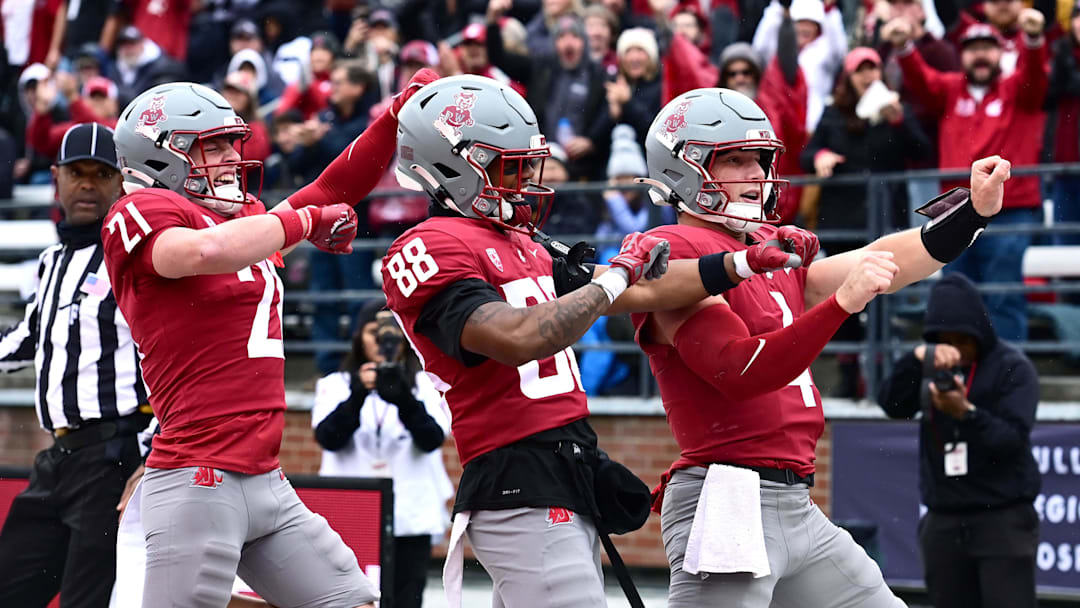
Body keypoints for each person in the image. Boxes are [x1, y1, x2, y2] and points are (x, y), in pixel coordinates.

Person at [383, 74, 818, 608]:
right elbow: (516, 337)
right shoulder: (428, 244)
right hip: (515, 472)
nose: (520, 182)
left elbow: (638, 291)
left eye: (524, 164)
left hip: (567, 464)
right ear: (444, 165)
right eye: (503, 166)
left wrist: (741, 263)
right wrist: (616, 275)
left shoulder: (524, 242)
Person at [631, 87, 1013, 608]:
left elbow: (880, 260)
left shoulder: (760, 251)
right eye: (734, 161)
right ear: (684, 169)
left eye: (757, 160)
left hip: (793, 500)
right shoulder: (680, 252)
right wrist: (840, 307)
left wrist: (971, 213)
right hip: (728, 497)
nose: (754, 175)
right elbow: (737, 370)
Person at [99, 69, 440, 607]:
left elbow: (331, 188)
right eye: (211, 148)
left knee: (350, 600)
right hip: (196, 475)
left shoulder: (244, 221)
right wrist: (305, 222)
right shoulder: (140, 209)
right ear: (159, 156)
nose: (231, 159)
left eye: (230, 144)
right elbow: (201, 253)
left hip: (263, 477)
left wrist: (396, 116)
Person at [0, 123, 151, 608]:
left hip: (114, 455)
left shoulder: (136, 257)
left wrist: (153, 452)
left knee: (88, 600)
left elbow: (172, 357)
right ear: (56, 178)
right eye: (77, 172)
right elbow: (28, 337)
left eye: (101, 173)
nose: (88, 184)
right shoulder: (50, 261)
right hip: (58, 459)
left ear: (121, 182)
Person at [877, 273, 1040, 608]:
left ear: (979, 332)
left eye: (963, 340)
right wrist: (917, 359)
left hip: (1002, 518)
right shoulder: (928, 365)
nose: (957, 350)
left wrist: (966, 413)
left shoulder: (1013, 368)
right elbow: (891, 404)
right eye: (945, 340)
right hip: (944, 518)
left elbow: (1010, 441)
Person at [889, 14, 1047, 341]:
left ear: (1000, 53)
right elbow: (919, 79)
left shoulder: (1018, 88)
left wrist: (1033, 41)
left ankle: (1005, 379)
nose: (980, 55)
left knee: (1003, 296)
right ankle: (962, 375)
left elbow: (1036, 75)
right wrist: (904, 46)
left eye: (988, 47)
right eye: (972, 48)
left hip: (1009, 211)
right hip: (957, 210)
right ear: (962, 55)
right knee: (958, 299)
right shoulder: (950, 90)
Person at [312, 299, 452, 608]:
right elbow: (329, 438)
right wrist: (358, 395)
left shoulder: (425, 386)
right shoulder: (334, 385)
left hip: (408, 516)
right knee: (350, 600)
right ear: (360, 336)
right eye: (374, 332)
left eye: (391, 333)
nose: (382, 341)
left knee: (405, 599)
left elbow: (431, 439)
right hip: (350, 517)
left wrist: (404, 400)